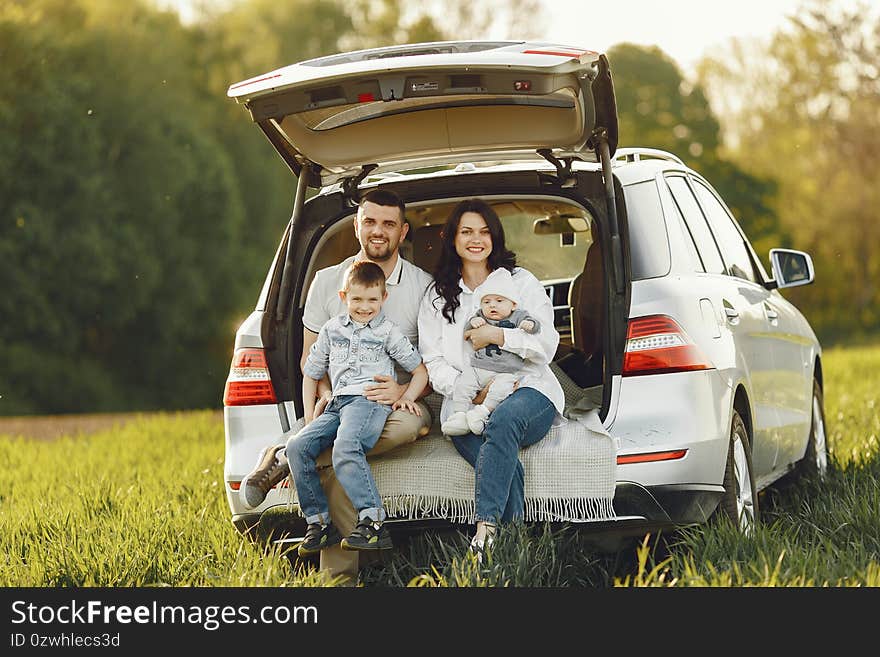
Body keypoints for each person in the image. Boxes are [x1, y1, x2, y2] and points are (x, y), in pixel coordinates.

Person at [240, 188, 433, 584]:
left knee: (402, 427)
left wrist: (401, 393)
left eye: (388, 224)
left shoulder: (422, 286)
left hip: (399, 402)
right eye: (370, 221)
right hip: (341, 401)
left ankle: (284, 460)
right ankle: (339, 580)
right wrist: (322, 397)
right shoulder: (327, 283)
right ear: (357, 225)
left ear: (403, 231)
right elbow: (312, 359)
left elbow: (434, 365)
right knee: (345, 445)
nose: (378, 231)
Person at [417, 198, 564, 555]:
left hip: (528, 388)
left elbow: (546, 343)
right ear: (451, 238)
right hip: (465, 400)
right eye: (466, 231)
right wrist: (467, 390)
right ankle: (513, 546)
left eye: (484, 231)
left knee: (501, 423)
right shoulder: (437, 297)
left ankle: (484, 534)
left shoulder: (521, 283)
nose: (476, 239)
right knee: (497, 453)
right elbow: (433, 361)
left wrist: (499, 336)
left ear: (495, 238)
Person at [287, 260, 428, 555]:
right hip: (337, 404)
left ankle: (373, 522)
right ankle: (319, 523)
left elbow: (420, 371)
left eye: (372, 300)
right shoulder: (331, 330)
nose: (365, 307)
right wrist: (311, 415)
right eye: (357, 299)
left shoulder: (388, 332)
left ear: (383, 298)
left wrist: (406, 397)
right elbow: (311, 373)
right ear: (343, 297)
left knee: (345, 447)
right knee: (297, 446)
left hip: (368, 402)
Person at [441, 267, 541, 437]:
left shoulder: (517, 316)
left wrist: (529, 325)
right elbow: (467, 333)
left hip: (505, 371)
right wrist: (474, 321)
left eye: (499, 301)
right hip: (479, 367)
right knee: (463, 385)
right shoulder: (481, 315)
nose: (492, 305)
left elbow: (535, 326)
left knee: (502, 389)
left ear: (513, 304)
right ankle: (459, 415)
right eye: (487, 302)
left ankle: (481, 413)